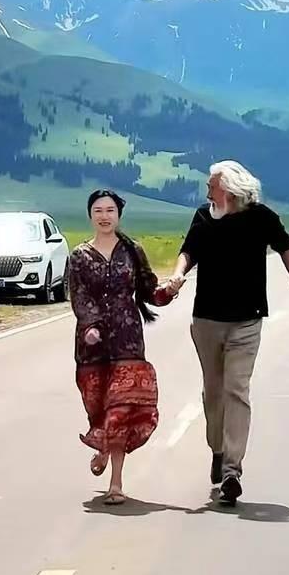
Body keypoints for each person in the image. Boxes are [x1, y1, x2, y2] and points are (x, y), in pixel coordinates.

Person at [167, 161, 289, 506]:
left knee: (237, 390)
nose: (206, 191)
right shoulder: (204, 217)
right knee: (213, 393)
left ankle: (232, 471)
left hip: (247, 320)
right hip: (207, 320)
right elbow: (189, 251)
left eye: (211, 185)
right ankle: (217, 450)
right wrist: (177, 275)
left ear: (229, 190)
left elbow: (285, 244)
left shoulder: (261, 217)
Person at [69, 189, 173, 505]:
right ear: (90, 215)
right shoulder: (79, 256)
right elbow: (79, 296)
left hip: (128, 339)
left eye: (110, 210)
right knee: (97, 406)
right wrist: (91, 327)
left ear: (119, 215)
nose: (104, 216)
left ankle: (116, 483)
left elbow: (148, 290)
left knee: (120, 410)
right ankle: (102, 444)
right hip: (92, 346)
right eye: (98, 211)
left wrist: (168, 292)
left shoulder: (132, 250)